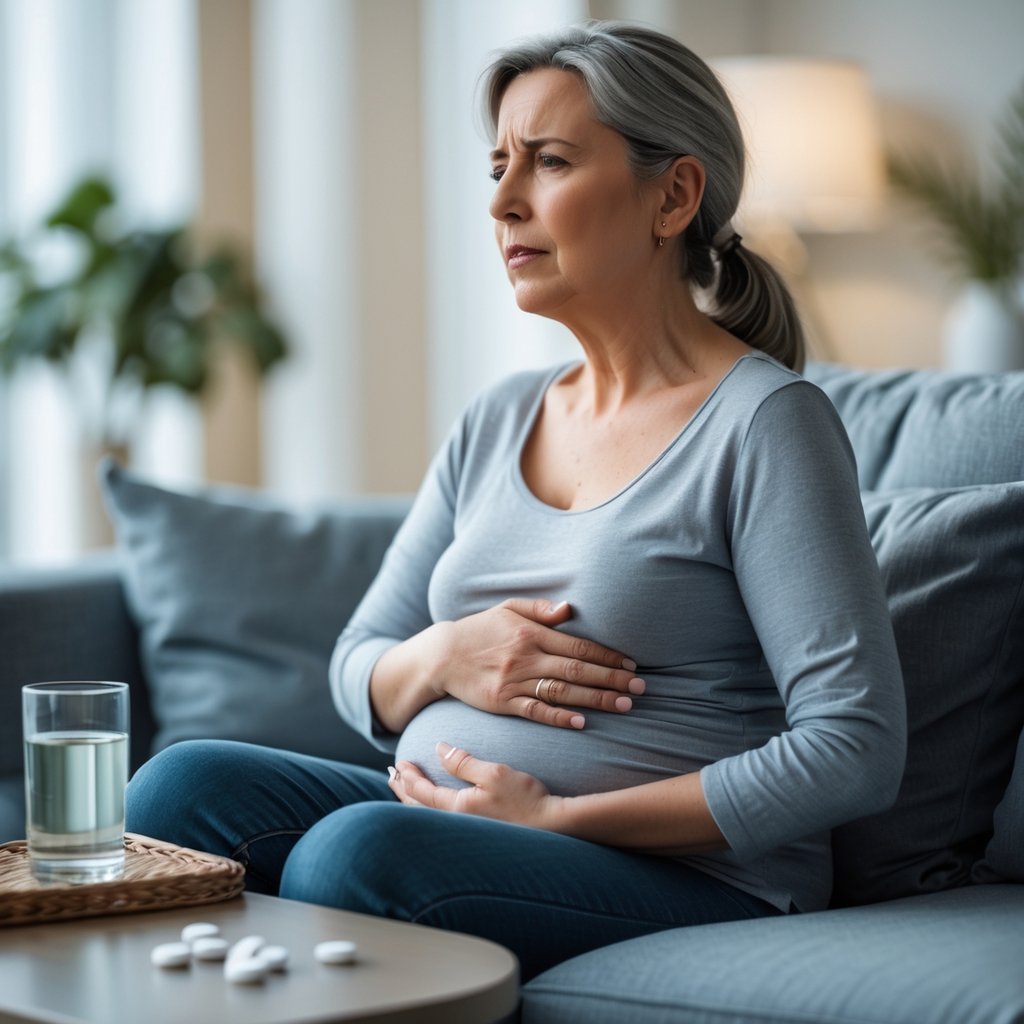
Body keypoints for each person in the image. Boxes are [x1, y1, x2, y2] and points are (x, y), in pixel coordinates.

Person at [126, 21, 906, 982]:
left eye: (549, 163)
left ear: (674, 195)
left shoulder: (766, 423)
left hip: (693, 873)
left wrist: (556, 818)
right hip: (453, 824)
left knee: (358, 853)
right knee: (181, 785)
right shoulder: (498, 417)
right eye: (499, 165)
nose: (502, 202)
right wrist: (450, 655)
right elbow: (356, 666)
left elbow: (852, 746)